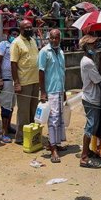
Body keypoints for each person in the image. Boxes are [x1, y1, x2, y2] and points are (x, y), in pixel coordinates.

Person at [39, 29, 67, 163]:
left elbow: (63, 72)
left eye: (57, 38)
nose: (54, 40)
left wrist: (64, 90)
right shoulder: (44, 52)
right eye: (52, 38)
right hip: (50, 91)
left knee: (60, 118)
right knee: (53, 120)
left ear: (60, 39)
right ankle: (52, 148)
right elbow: (41, 72)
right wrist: (42, 92)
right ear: (49, 38)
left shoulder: (61, 52)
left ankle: (57, 143)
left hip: (60, 90)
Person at [11, 20, 40, 145]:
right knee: (23, 112)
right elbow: (13, 64)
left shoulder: (33, 40)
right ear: (21, 29)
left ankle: (32, 135)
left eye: (30, 27)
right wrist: (16, 83)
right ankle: (21, 137)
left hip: (35, 80)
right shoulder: (16, 43)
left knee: (34, 110)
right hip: (24, 82)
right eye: (26, 28)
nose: (29, 29)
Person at [79, 34, 101, 169]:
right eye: (92, 44)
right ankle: (84, 157)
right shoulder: (87, 62)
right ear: (86, 46)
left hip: (91, 97)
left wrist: (100, 58)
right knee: (90, 126)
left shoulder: (89, 60)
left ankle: (87, 151)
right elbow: (98, 80)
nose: (95, 46)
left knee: (92, 125)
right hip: (91, 98)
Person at [0, 27, 20, 143]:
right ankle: (4, 132)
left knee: (11, 105)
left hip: (15, 79)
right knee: (5, 106)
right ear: (8, 35)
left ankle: (9, 126)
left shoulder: (18, 45)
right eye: (13, 34)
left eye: (16, 35)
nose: (15, 36)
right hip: (5, 79)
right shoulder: (3, 45)